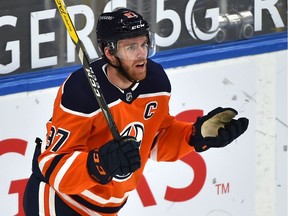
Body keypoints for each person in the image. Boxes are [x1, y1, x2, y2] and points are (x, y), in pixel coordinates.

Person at [23, 7, 249, 216]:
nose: (142, 54)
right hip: (58, 201)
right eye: (131, 47)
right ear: (109, 52)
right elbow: (53, 165)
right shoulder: (81, 91)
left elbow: (155, 141)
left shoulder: (155, 81)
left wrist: (195, 135)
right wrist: (99, 163)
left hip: (106, 209)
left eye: (144, 44)